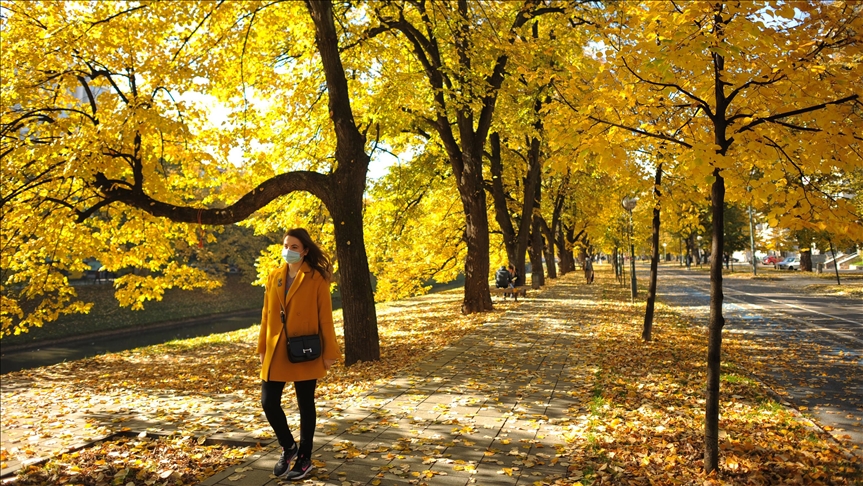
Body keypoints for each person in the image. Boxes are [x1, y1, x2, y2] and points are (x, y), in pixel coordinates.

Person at [258, 228, 341, 480]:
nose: (289, 251)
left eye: (295, 247)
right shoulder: (274, 276)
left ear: (305, 251)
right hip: (276, 349)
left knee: (306, 404)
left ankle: (305, 458)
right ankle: (288, 446)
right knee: (268, 401)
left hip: (305, 349)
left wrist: (329, 352)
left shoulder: (316, 278)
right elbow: (265, 315)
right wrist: (262, 348)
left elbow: (325, 318)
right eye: (286, 245)